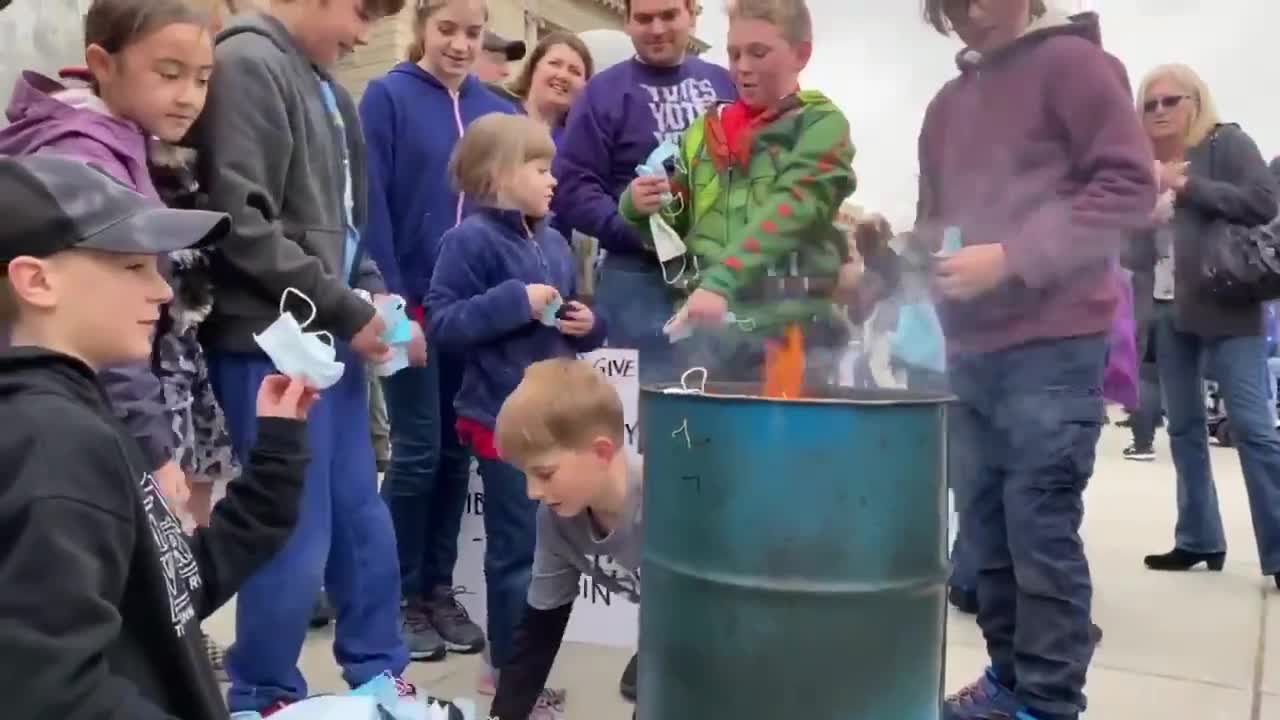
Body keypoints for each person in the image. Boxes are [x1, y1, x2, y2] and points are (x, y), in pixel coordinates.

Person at [0, 153, 311, 720]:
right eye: (131, 267)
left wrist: (277, 451)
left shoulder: (74, 413)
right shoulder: (51, 442)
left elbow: (169, 597)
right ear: (37, 281)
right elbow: (49, 691)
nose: (163, 291)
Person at [915, 3, 1156, 720]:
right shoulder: (945, 105)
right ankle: (1008, 680)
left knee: (1038, 535)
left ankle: (1050, 705)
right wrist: (919, 261)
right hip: (972, 352)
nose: (970, 11)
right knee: (985, 541)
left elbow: (1128, 186)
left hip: (1054, 347)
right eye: (951, 1)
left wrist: (1013, 259)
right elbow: (937, 217)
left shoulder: (1075, 66)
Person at [190, 0, 432, 713]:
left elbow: (351, 226)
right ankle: (262, 689)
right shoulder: (246, 65)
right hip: (272, 344)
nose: (364, 34)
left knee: (362, 521)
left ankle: (380, 674)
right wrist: (347, 309)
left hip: (335, 343)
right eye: (360, 12)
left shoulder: (329, 84)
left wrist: (375, 301)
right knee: (293, 531)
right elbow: (241, 221)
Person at [0, 0, 239, 676]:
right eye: (170, 72)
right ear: (103, 64)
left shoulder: (127, 142)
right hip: (120, 409)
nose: (190, 96)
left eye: (202, 77)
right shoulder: (81, 156)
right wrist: (154, 447)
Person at [427, 112, 607, 703]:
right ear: (497, 176)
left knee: (544, 549)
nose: (553, 180)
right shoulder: (467, 241)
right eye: (540, 167)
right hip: (500, 421)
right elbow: (445, 323)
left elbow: (562, 320)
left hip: (553, 421)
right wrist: (514, 302)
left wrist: (585, 326)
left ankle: (515, 665)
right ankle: (508, 672)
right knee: (516, 552)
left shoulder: (553, 242)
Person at [359, 0, 509, 664]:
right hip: (411, 304)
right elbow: (372, 201)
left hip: (469, 316)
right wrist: (390, 302)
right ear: (423, 27)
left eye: (472, 33)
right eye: (447, 29)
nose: (458, 44)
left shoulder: (495, 109)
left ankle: (436, 592)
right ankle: (394, 596)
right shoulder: (387, 97)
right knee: (416, 453)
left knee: (455, 455)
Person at [619, 0, 867, 385]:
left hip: (795, 337)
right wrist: (640, 207)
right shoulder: (703, 131)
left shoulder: (820, 123)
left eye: (758, 52)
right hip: (711, 339)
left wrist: (721, 282)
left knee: (791, 443)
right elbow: (678, 229)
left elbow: (797, 202)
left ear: (801, 54)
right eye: (734, 54)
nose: (742, 68)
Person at [1133, 64, 1280, 584]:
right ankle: (1198, 539)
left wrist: (1188, 188)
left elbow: (1265, 203)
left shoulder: (1227, 143)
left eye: (1169, 101)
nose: (1159, 112)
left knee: (1254, 429)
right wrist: (1142, 219)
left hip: (1227, 300)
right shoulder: (1141, 165)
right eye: (1149, 104)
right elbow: (1131, 254)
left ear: (1196, 101)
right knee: (1184, 430)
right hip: (1168, 309)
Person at [552, 0, 735, 384]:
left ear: (691, 15)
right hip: (634, 281)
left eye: (668, 16)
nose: (656, 29)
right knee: (638, 415)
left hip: (716, 276)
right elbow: (572, 186)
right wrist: (627, 220)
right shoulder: (602, 91)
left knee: (718, 399)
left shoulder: (724, 83)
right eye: (644, 18)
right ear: (627, 21)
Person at [487, 358, 638, 720]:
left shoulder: (671, 501)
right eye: (525, 475)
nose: (532, 492)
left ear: (600, 452)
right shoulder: (557, 521)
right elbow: (538, 634)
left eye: (544, 473)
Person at [505, 32, 594, 141]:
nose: (563, 76)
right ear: (534, 67)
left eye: (575, 71)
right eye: (555, 64)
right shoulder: (499, 114)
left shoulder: (581, 144)